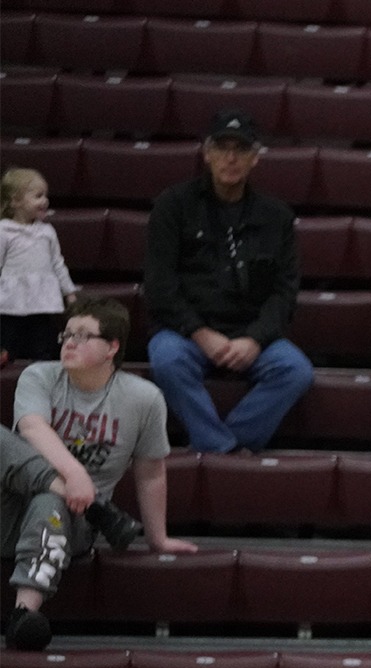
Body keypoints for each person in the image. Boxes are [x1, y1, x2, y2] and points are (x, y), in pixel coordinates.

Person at [7, 298, 195, 650]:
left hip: (74, 523)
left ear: (112, 347)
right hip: (10, 512)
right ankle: (95, 508)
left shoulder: (144, 399)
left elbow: (151, 471)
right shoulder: (39, 376)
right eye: (67, 334)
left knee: (49, 501)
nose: (69, 342)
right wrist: (74, 474)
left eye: (83, 335)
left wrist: (159, 539)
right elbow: (31, 427)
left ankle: (23, 615)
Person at [144, 108, 313, 454]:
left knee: (297, 370)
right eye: (222, 148)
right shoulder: (172, 206)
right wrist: (200, 333)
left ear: (255, 158)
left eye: (241, 149)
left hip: (253, 335)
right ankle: (225, 450)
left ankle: (220, 445)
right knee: (166, 359)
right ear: (207, 153)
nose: (231, 158)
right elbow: (160, 285)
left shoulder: (277, 216)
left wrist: (254, 339)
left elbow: (284, 292)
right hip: (187, 333)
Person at [0, 167, 77, 365]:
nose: (45, 201)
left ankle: (42, 370)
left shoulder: (47, 231)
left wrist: (69, 291)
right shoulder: (4, 231)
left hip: (42, 300)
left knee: (42, 343)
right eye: (38, 196)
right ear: (15, 201)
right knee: (9, 342)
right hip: (11, 302)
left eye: (46, 196)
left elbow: (57, 263)